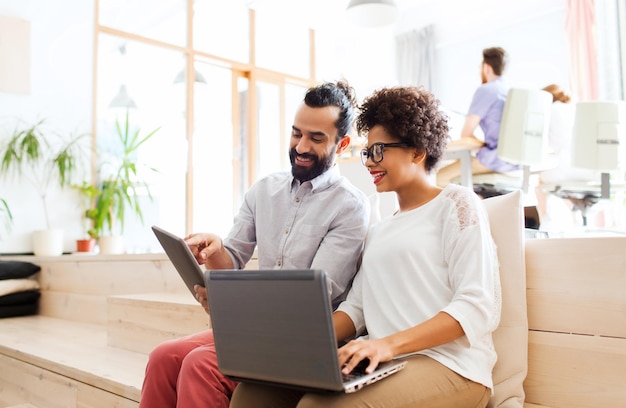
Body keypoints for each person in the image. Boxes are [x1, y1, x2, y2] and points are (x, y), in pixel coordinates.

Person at [230, 86, 502, 408]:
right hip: (384, 361)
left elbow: (477, 306)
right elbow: (356, 308)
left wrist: (386, 345)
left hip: (451, 366)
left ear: (416, 151)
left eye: (379, 151)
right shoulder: (381, 228)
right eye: (367, 152)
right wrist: (296, 343)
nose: (369, 163)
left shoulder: (456, 204)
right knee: (253, 395)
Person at [139, 80, 370, 408]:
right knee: (163, 356)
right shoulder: (265, 190)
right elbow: (231, 258)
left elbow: (311, 296)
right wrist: (216, 249)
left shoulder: (351, 206)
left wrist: (232, 304)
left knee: (200, 366)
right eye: (296, 133)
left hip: (308, 337)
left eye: (316, 138)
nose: (301, 146)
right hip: (258, 327)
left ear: (342, 144)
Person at [437, 46, 519, 187]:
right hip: (516, 163)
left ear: (486, 68)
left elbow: (466, 133)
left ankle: (474, 207)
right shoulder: (511, 91)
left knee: (437, 179)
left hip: (494, 160)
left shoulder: (487, 90)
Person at [535, 84, 597, 230]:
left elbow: (543, 146)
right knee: (564, 180)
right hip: (590, 172)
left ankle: (543, 219)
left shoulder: (550, 111)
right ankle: (575, 216)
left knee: (539, 181)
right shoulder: (578, 110)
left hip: (566, 169)